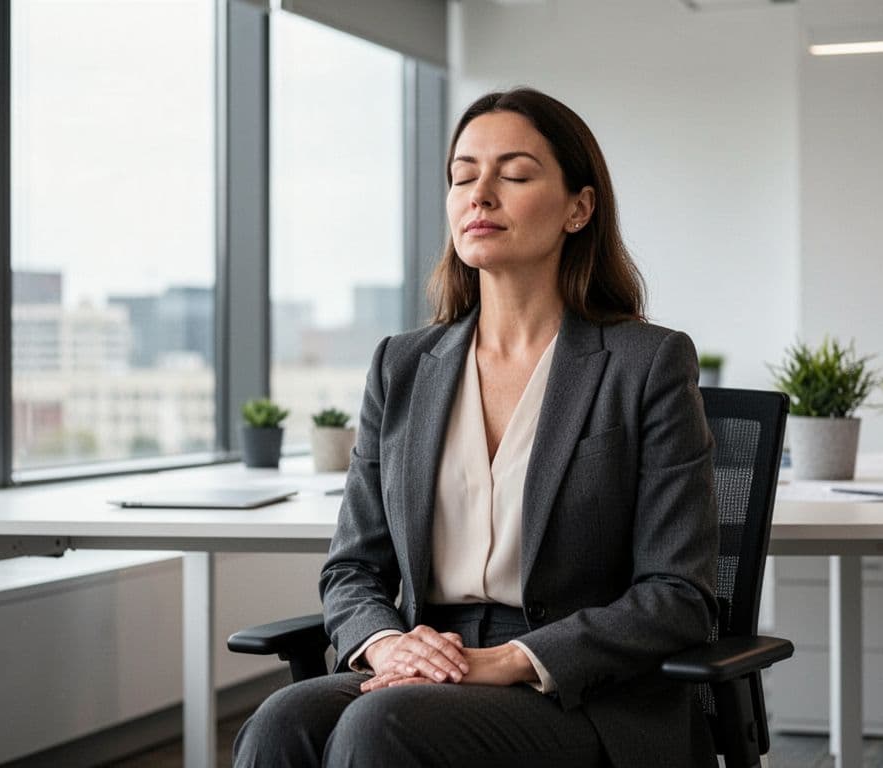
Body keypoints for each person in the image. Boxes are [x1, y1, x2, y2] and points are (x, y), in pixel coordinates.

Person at [234, 87, 718, 768]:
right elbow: (353, 568)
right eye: (463, 175)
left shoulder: (646, 364)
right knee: (282, 722)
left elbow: (678, 596)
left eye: (514, 175)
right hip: (425, 658)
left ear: (579, 208)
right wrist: (386, 644)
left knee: (382, 728)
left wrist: (512, 659)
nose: (479, 194)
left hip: (581, 690)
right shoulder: (401, 366)